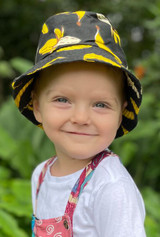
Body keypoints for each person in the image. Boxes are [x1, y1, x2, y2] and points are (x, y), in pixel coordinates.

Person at [12, 11, 146, 237]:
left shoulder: (111, 188)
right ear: (37, 107)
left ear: (120, 114)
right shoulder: (41, 175)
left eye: (101, 104)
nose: (81, 118)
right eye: (62, 100)